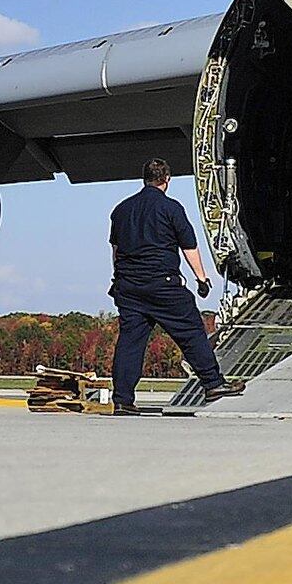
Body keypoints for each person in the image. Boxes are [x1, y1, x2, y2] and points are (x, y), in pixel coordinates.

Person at [109, 159, 240, 414]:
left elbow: (116, 250)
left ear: (144, 178)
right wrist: (202, 279)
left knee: (130, 343)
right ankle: (213, 383)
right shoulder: (171, 208)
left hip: (128, 286)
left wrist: (120, 278)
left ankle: (123, 400)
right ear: (166, 179)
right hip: (163, 285)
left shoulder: (121, 210)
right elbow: (189, 247)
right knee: (191, 333)